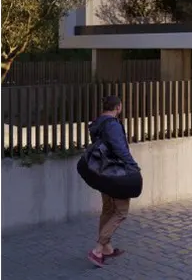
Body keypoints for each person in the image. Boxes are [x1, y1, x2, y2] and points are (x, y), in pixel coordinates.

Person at [79, 95, 142, 268]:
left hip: (102, 171)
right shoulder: (112, 125)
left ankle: (107, 248)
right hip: (116, 173)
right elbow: (119, 148)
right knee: (121, 212)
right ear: (118, 107)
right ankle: (98, 249)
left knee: (108, 209)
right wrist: (132, 165)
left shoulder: (98, 123)